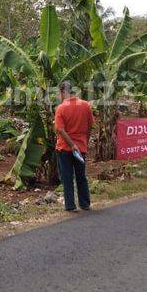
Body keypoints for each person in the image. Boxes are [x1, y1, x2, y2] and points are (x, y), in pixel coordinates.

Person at [55, 80, 94, 211]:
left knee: (67, 177)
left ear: (62, 92)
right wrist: (84, 142)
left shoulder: (60, 108)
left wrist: (71, 145)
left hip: (65, 148)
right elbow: (90, 126)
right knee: (81, 176)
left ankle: (70, 205)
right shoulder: (86, 105)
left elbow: (60, 130)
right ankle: (85, 203)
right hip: (81, 147)